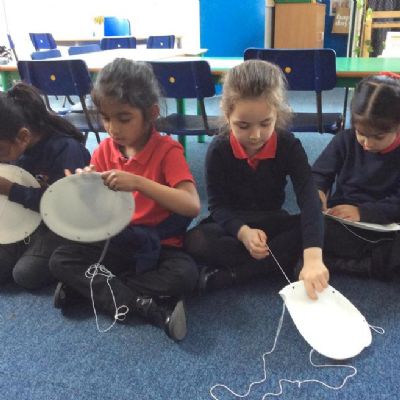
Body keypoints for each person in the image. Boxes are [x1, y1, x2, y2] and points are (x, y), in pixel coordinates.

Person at [49, 59, 200, 341]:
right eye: (106, 118)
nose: (113, 128)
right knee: (59, 259)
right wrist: (83, 189)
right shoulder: (104, 150)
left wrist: (139, 183)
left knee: (185, 275)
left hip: (159, 244)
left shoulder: (167, 151)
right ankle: (144, 306)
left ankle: (92, 290)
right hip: (116, 240)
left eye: (124, 118)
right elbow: (96, 213)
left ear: (151, 113)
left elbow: (191, 204)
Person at [184, 59, 329, 300]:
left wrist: (313, 258)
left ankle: (232, 276)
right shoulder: (219, 149)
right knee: (196, 241)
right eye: (243, 126)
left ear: (277, 115)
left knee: (319, 227)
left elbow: (309, 200)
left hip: (272, 221)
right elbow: (218, 207)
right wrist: (244, 233)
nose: (255, 135)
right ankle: (271, 266)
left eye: (265, 123)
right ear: (227, 115)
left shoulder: (288, 145)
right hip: (233, 225)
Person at [0, 83, 90, 289]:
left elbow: (64, 207)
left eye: (1, 150)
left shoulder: (66, 150)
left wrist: (10, 189)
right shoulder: (14, 147)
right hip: (24, 219)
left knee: (25, 274)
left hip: (61, 227)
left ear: (23, 136)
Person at [312, 74, 400, 279]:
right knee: (305, 228)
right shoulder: (345, 140)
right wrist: (318, 193)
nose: (367, 144)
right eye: (361, 133)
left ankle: (346, 263)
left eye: (378, 137)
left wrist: (363, 212)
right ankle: (368, 264)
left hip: (387, 223)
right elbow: (319, 174)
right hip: (343, 220)